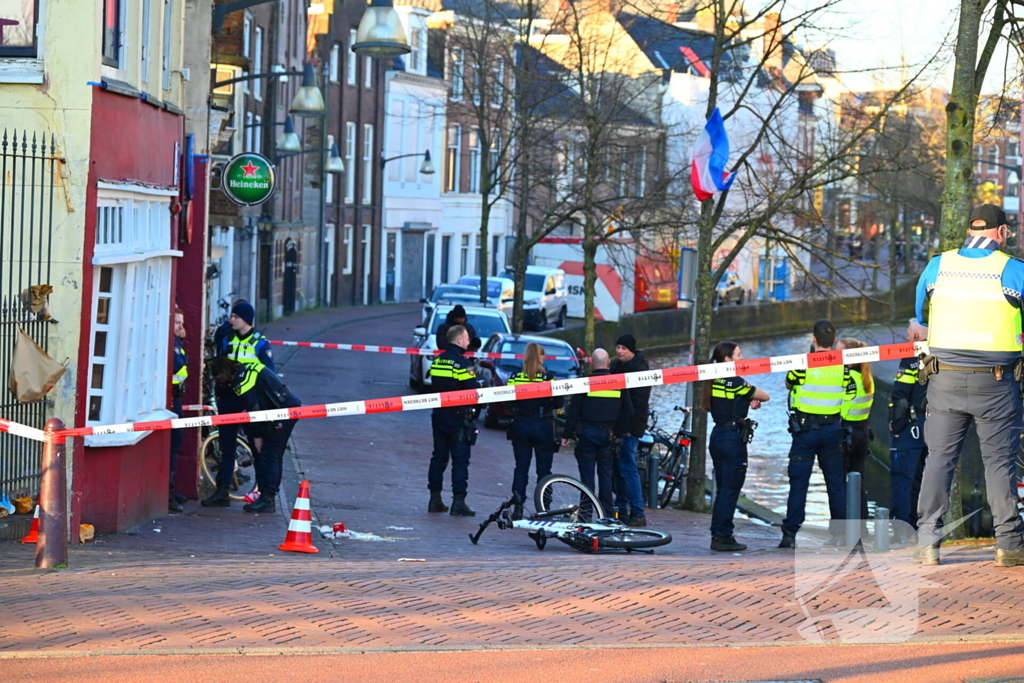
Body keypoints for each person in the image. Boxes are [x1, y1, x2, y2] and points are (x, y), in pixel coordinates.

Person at [909, 204, 1024, 567]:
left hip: (944, 379)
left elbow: (918, 314)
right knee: (999, 464)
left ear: (969, 229)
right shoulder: (1013, 270)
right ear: (1001, 233)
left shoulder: (937, 266)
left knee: (939, 461)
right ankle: (1009, 545)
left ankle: (928, 542)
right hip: (997, 382)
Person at [779, 319, 855, 548]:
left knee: (798, 483)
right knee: (835, 484)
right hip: (832, 430)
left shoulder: (803, 364)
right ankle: (839, 535)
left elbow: (789, 383)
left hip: (805, 432)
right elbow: (850, 392)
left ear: (813, 339)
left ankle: (790, 534)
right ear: (834, 340)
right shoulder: (843, 366)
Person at [202, 301, 275, 508]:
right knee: (227, 447)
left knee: (257, 446)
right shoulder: (227, 340)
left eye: (235, 317)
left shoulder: (260, 344)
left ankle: (264, 496)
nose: (230, 320)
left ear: (246, 320)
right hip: (228, 398)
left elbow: (269, 375)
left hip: (250, 401)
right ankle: (222, 490)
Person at [206, 357, 301, 513]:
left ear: (224, 372)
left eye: (220, 378)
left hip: (283, 412)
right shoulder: (243, 371)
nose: (221, 382)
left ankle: (268, 498)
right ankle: (262, 495)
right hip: (279, 409)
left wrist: (257, 435)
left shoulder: (243, 379)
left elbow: (253, 408)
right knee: (271, 455)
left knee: (269, 455)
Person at [702, 342, 769, 552]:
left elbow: (728, 402)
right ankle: (723, 536)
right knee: (731, 490)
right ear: (727, 360)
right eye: (738, 355)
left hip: (718, 436)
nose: (742, 358)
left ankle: (718, 532)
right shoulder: (736, 380)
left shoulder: (713, 380)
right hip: (732, 440)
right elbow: (765, 395)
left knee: (723, 489)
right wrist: (751, 397)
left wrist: (746, 400)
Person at [561, 349, 633, 515]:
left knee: (586, 477)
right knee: (606, 476)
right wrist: (618, 431)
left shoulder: (584, 383)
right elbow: (628, 412)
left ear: (592, 363)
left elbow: (573, 411)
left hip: (586, 434)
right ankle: (606, 514)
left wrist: (566, 434)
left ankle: (586, 513)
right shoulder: (618, 383)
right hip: (608, 435)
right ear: (608, 363)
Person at [506, 343, 564, 520]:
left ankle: (517, 509)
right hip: (542, 425)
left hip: (521, 424)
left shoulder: (515, 377)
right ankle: (544, 509)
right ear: (540, 357)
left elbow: (508, 401)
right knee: (544, 470)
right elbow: (559, 402)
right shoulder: (548, 379)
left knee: (521, 468)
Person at [427, 324, 481, 516]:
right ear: (459, 340)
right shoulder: (463, 364)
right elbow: (471, 391)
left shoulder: (438, 361)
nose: (468, 341)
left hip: (439, 415)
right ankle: (458, 502)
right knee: (460, 460)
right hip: (459, 419)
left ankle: (434, 499)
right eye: (466, 338)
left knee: (439, 457)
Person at [889, 319, 929, 543]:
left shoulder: (911, 358)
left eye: (907, 334)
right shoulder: (939, 355)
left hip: (911, 429)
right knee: (924, 480)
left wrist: (896, 426)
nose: (906, 338)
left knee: (903, 478)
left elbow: (901, 396)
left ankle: (903, 532)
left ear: (916, 337)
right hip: (935, 427)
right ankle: (924, 529)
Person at [609, 334, 650, 527]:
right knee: (619, 470)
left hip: (629, 429)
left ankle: (637, 511)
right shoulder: (617, 367)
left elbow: (637, 406)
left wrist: (625, 429)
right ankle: (621, 510)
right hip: (619, 428)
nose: (619, 351)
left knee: (628, 469)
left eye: (623, 348)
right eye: (617, 347)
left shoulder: (639, 371)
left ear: (632, 351)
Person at [837, 337, 874, 522]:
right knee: (859, 483)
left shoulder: (847, 377)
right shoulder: (866, 377)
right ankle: (863, 528)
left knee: (841, 484)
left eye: (839, 352)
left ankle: (845, 531)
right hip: (862, 433)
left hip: (845, 434)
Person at [168, 307, 189, 513]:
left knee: (177, 443)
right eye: (177, 323)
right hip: (171, 400)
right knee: (172, 445)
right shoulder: (172, 343)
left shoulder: (177, 342)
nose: (182, 327)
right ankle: (168, 494)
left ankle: (171, 491)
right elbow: (177, 365)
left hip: (177, 398)